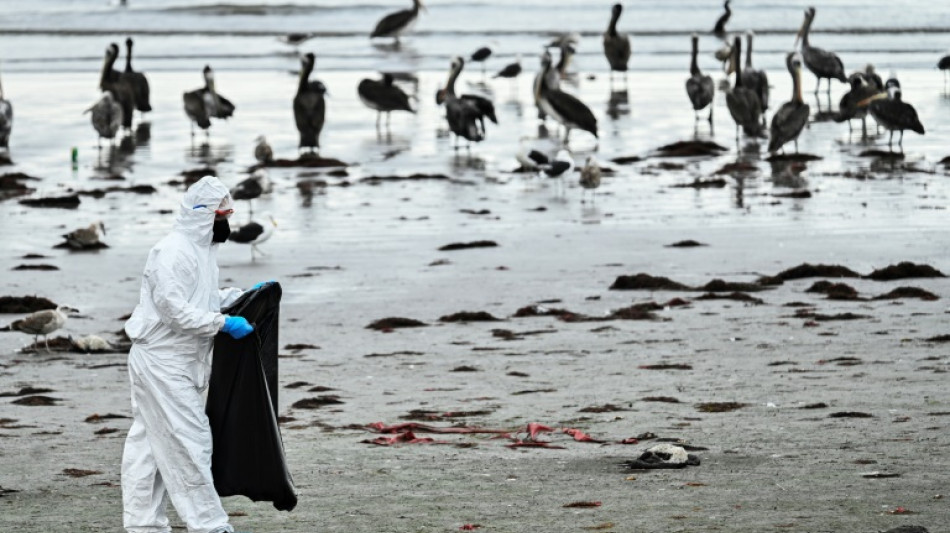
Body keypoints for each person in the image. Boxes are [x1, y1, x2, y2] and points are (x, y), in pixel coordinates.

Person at [121, 175, 269, 533]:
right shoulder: (172, 253)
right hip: (162, 361)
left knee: (150, 446)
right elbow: (174, 311)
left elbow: (201, 297)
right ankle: (209, 524)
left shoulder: (202, 251)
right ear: (204, 216)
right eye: (222, 216)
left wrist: (240, 297)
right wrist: (222, 323)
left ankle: (143, 525)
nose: (227, 224)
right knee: (190, 440)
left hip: (177, 360)